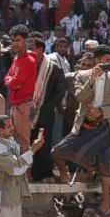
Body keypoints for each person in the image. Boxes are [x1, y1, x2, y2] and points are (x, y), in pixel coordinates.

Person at [52, 46, 110, 217]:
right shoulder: (82, 76)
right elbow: (80, 98)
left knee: (105, 168)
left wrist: (102, 112)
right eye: (107, 60)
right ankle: (71, 173)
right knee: (56, 151)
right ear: (97, 61)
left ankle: (105, 205)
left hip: (105, 127)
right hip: (84, 126)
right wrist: (92, 80)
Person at [29, 37, 67, 181]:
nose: (29, 51)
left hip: (44, 116)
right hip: (28, 114)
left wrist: (47, 106)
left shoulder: (53, 68)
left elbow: (60, 91)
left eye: (31, 48)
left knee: (42, 145)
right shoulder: (27, 65)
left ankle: (44, 174)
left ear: (40, 50)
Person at [4, 26, 37, 152]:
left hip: (23, 107)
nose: (14, 43)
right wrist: (11, 81)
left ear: (26, 41)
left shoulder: (28, 60)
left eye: (18, 40)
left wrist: (11, 81)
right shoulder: (17, 58)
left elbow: (12, 82)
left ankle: (24, 172)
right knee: (15, 141)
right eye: (12, 40)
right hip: (16, 105)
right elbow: (7, 79)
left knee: (22, 144)